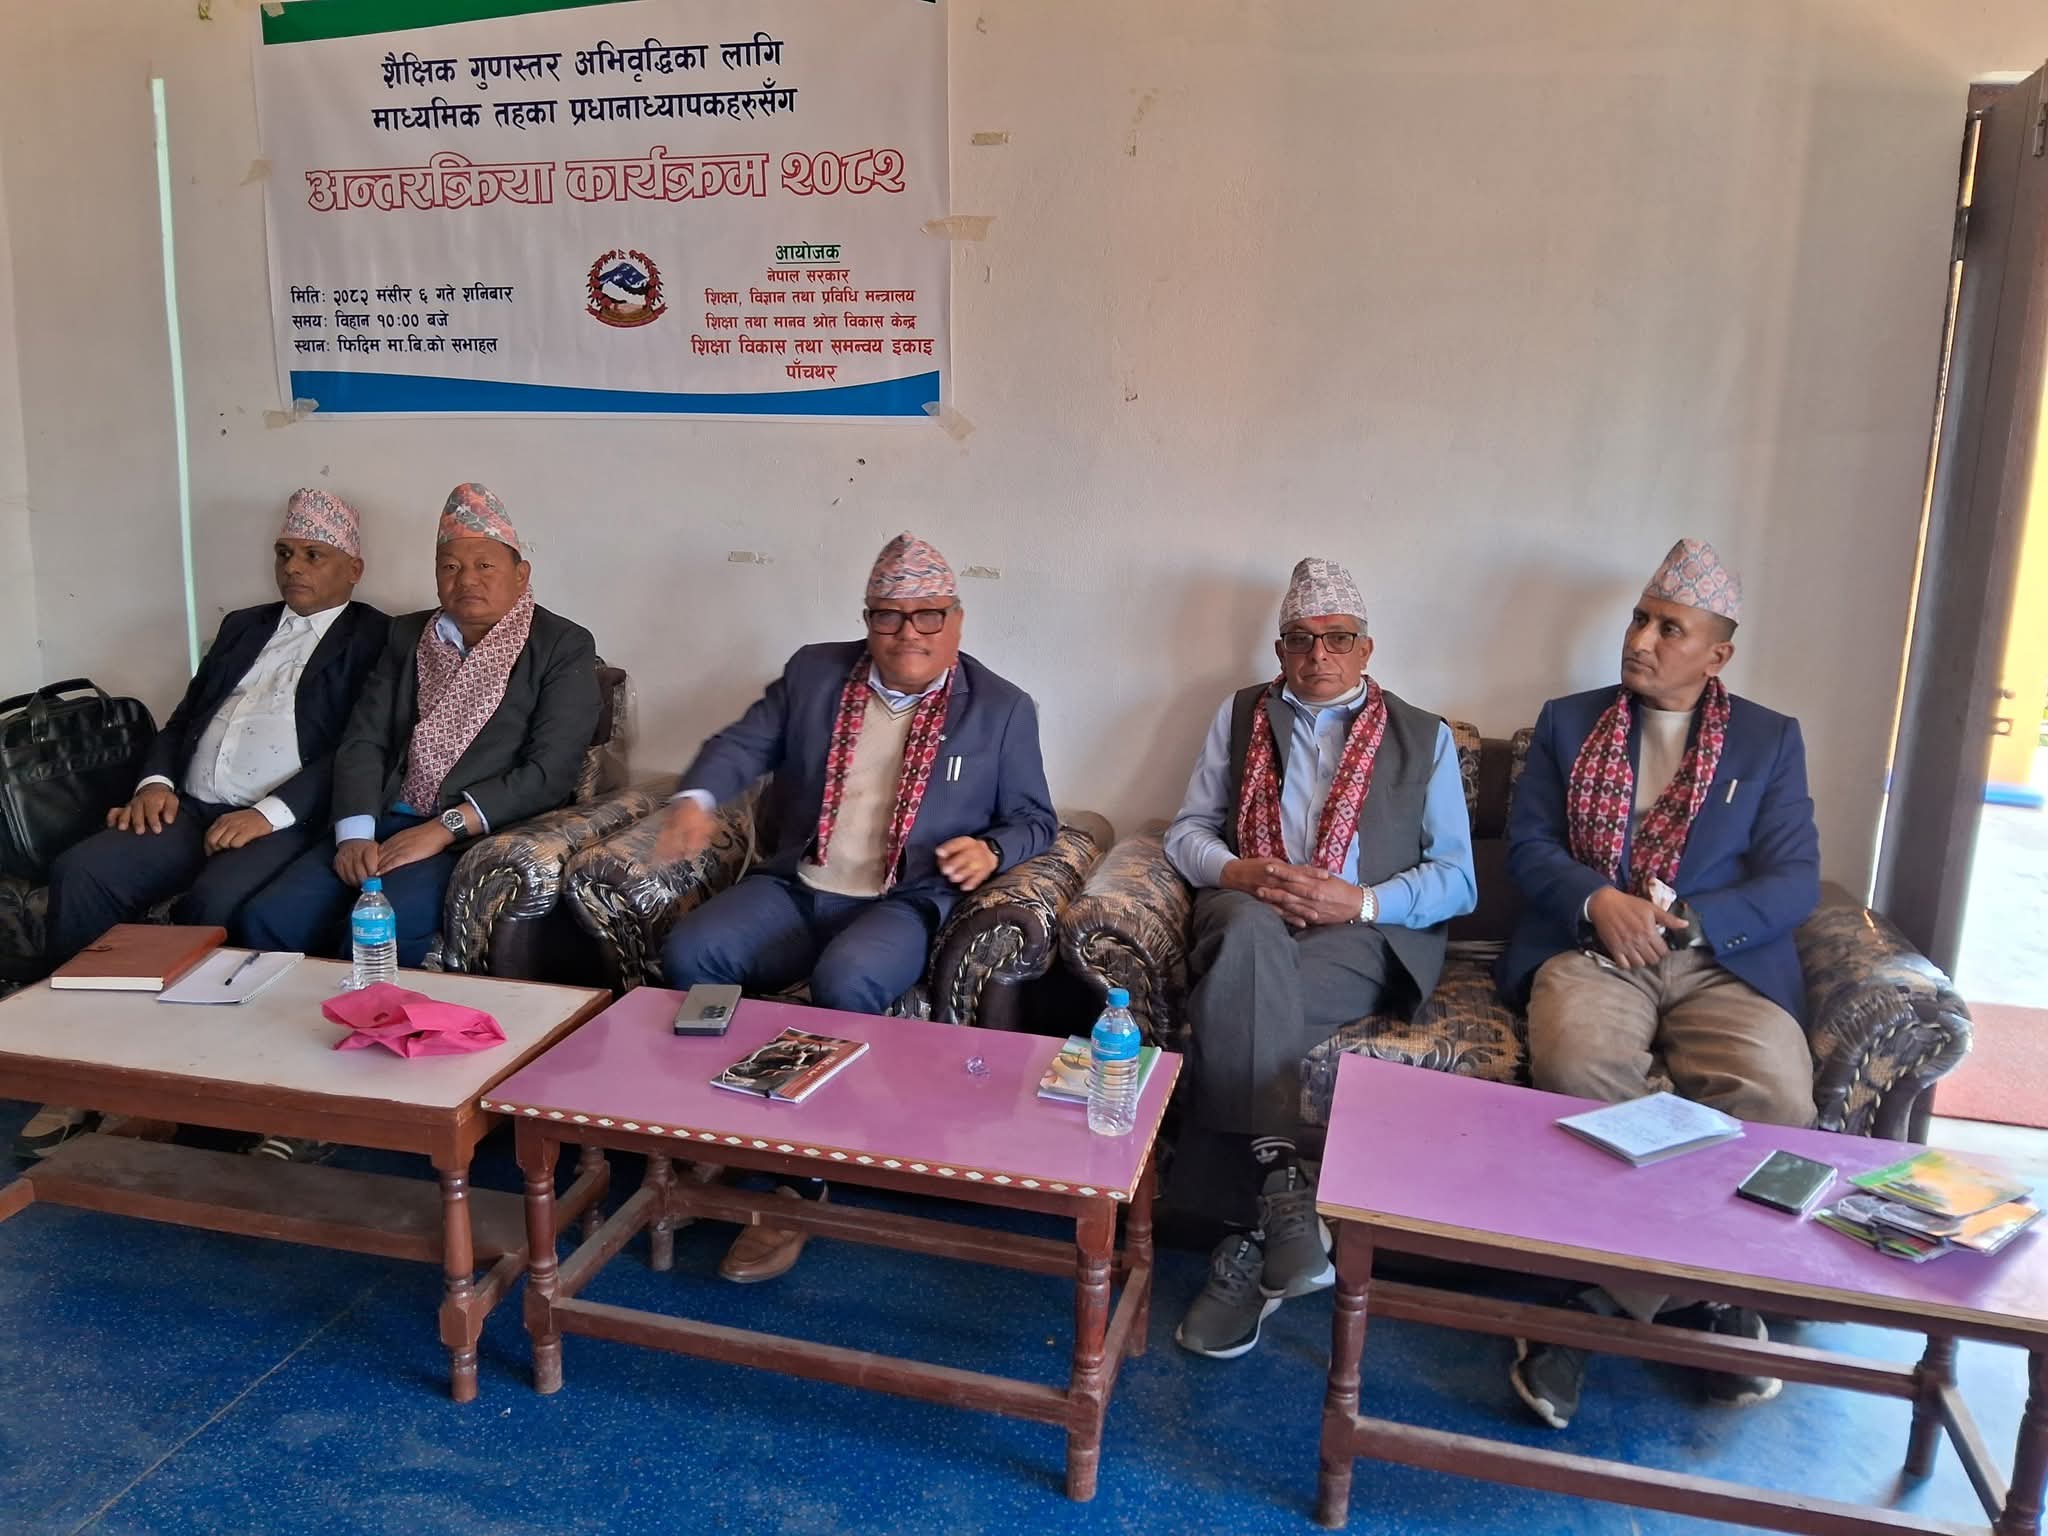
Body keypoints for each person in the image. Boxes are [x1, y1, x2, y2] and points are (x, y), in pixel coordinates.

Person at [655, 530, 1056, 1281]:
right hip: (796, 887)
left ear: (957, 620)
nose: (909, 632)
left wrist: (993, 850)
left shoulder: (1000, 709)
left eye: (928, 615)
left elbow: (1037, 819)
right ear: (867, 619)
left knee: (847, 981)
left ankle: (801, 1180)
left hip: (901, 902)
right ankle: (715, 1136)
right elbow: (743, 744)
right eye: (888, 615)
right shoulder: (815, 673)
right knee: (693, 951)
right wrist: (697, 797)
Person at [1499, 537, 1820, 1430]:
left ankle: (1600, 1305)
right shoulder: (1568, 722)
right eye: (1640, 618)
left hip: (1719, 960)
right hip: (1595, 948)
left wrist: (1701, 923)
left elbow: (1794, 878)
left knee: (1775, 1094)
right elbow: (1529, 848)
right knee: (1581, 1069)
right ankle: (1711, 1303)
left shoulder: (1769, 740)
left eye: (1668, 628)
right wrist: (1598, 899)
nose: (1640, 640)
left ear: (1717, 655)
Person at [1164, 557, 1476, 1359]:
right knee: (1245, 940)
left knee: (1236, 1005)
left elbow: (1458, 880)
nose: (1319, 655)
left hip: (1361, 935)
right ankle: (1282, 1195)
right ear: (1280, 650)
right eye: (1301, 640)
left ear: (1367, 649)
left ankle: (1247, 1235)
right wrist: (1236, 871)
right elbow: (1186, 832)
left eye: (1338, 638)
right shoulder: (1241, 714)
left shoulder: (1425, 735)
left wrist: (1360, 901)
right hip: (1247, 909)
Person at [17, 490, 388, 1160]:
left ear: (353, 569)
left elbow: (357, 748)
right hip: (187, 808)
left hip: (282, 822)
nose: (293, 567)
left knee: (216, 904)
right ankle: (80, 1072)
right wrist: (155, 784)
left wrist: (265, 815)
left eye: (313, 555)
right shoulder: (245, 626)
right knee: (84, 871)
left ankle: (183, 1091)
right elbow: (183, 719)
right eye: (284, 553)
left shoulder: (376, 638)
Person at [240, 484, 599, 1157]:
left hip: (462, 835)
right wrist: (354, 832)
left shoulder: (561, 645)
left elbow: (548, 773)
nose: (466, 581)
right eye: (450, 566)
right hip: (379, 821)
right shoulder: (409, 636)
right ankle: (266, 1085)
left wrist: (445, 828)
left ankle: (348, 1112)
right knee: (270, 917)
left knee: (381, 928)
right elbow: (364, 740)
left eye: (484, 565)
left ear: (521, 573)